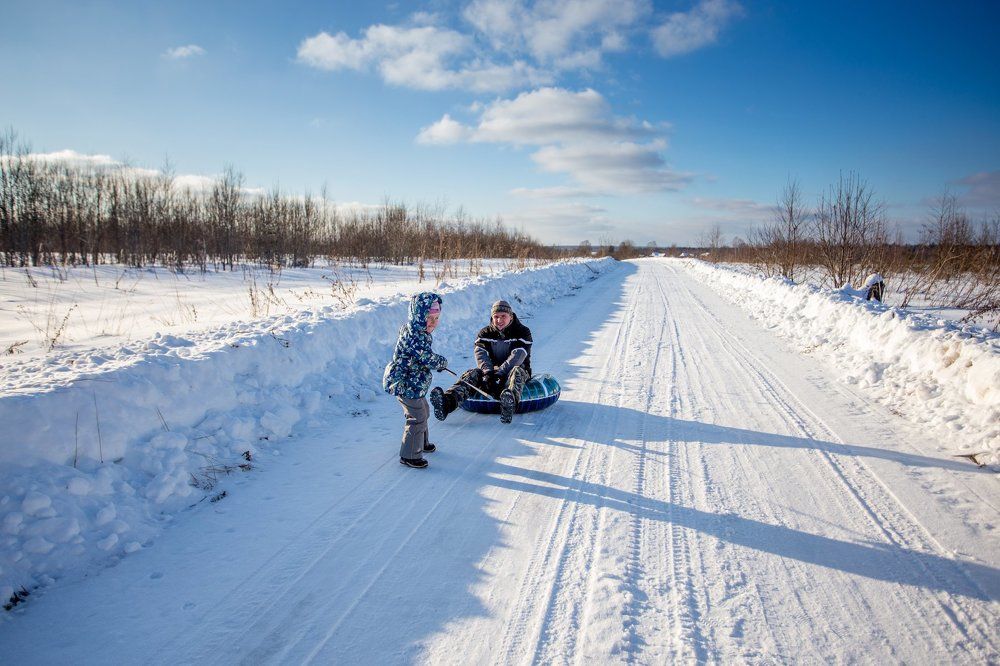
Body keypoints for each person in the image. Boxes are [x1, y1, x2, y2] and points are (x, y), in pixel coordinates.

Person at [430, 299, 532, 424]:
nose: (499, 320)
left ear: (510, 316)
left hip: (516, 369)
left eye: (503, 316)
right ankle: (447, 403)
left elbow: (518, 355)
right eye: (496, 317)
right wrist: (488, 373)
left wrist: (500, 373)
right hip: (492, 372)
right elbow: (481, 354)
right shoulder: (485, 333)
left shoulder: (522, 332)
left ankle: (508, 404)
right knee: (473, 373)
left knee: (517, 371)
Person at [383, 292, 448, 468]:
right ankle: (409, 455)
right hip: (405, 384)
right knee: (417, 417)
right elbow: (426, 357)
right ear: (418, 316)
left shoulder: (418, 331)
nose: (433, 322)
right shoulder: (415, 336)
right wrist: (441, 362)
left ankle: (421, 443)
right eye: (429, 318)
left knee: (424, 411)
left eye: (436, 318)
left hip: (413, 384)